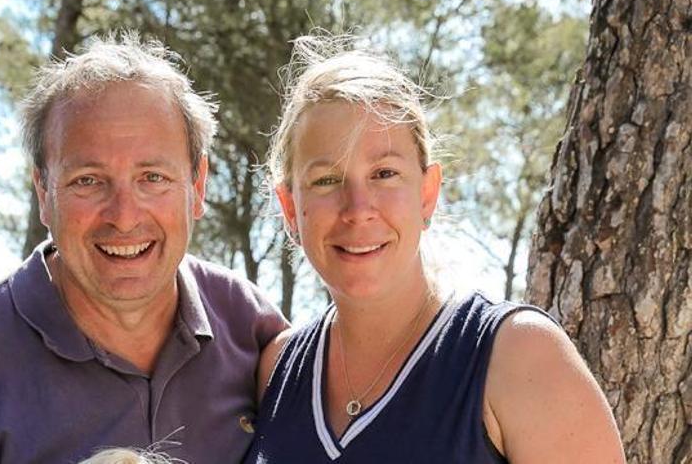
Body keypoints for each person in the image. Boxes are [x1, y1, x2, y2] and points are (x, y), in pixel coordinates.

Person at [0, 32, 288, 464]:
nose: (124, 217)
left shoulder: (253, 330)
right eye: (87, 181)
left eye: (153, 178)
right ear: (43, 191)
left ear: (197, 185)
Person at [244, 34, 626, 463]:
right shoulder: (278, 369)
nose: (358, 209)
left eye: (384, 173)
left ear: (427, 193)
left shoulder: (520, 358)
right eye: (326, 180)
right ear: (290, 210)